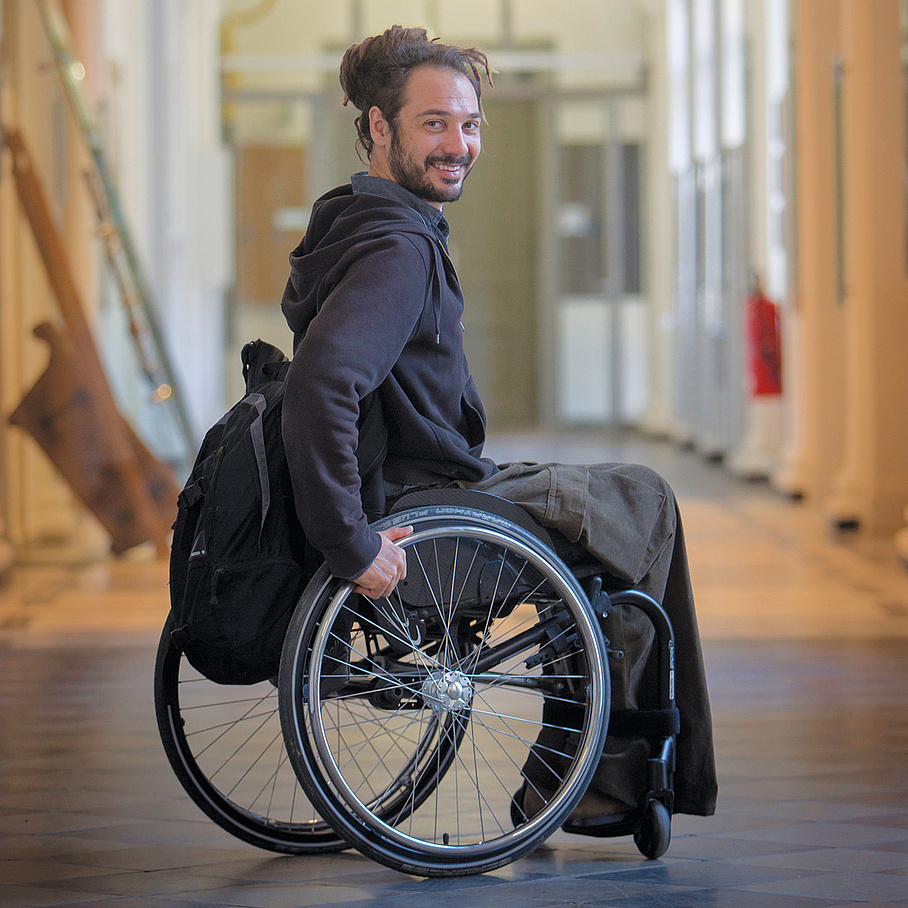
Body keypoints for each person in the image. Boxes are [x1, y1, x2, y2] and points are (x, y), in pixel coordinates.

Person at [281, 25, 717, 822]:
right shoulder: (396, 248)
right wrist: (351, 544)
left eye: (470, 124)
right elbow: (321, 387)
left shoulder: (354, 220)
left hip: (428, 487)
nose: (459, 144)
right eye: (434, 123)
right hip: (423, 516)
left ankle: (588, 774)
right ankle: (601, 783)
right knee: (643, 504)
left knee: (626, 498)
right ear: (379, 127)